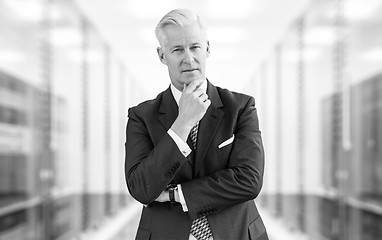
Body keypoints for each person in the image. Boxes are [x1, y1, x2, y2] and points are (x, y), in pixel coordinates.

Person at [125, 8, 268, 240]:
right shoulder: (141, 116)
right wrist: (183, 123)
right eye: (177, 50)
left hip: (236, 233)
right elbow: (142, 188)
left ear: (208, 48)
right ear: (162, 56)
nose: (189, 58)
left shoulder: (240, 108)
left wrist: (176, 194)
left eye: (195, 47)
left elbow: (249, 181)